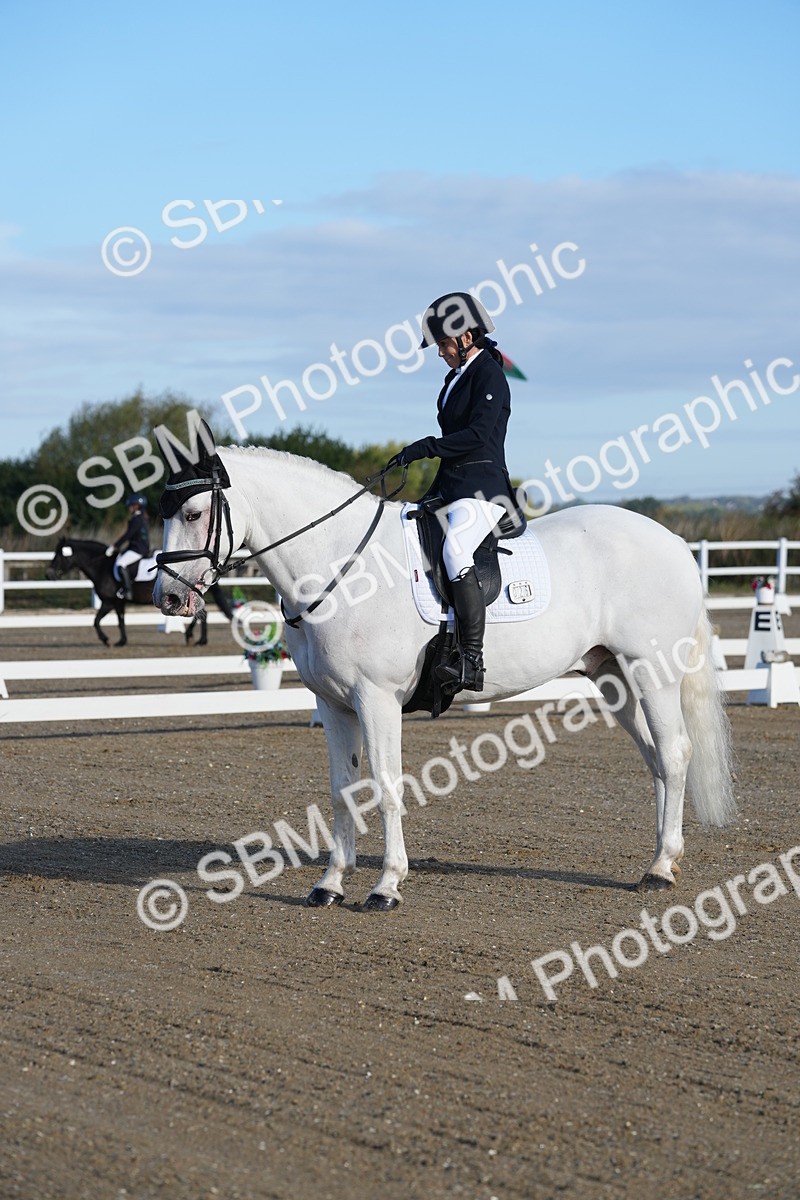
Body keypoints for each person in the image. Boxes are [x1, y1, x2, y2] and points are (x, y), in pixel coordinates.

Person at [389, 292, 517, 695]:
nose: (440, 353)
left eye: (443, 344)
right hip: (454, 485)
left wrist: (426, 446)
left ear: (465, 336)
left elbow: (478, 436)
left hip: (484, 489)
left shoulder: (489, 374)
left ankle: (471, 659)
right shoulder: (454, 378)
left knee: (456, 552)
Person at [107, 494, 150, 600]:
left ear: (137, 506)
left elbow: (128, 535)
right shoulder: (141, 518)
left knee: (121, 563)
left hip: (138, 549)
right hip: (137, 547)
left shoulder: (137, 519)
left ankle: (127, 590)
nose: (130, 508)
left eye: (132, 505)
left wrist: (115, 546)